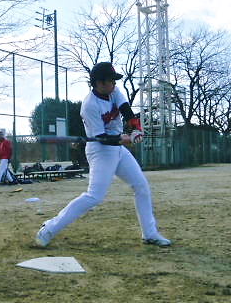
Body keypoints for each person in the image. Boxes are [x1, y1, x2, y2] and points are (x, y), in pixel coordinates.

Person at [35, 62, 172, 248]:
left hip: (117, 149)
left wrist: (136, 129)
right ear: (99, 83)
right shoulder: (89, 105)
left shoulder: (113, 92)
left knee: (141, 186)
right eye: (110, 81)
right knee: (94, 196)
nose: (114, 84)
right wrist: (125, 138)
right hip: (100, 150)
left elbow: (127, 112)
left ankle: (150, 233)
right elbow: (102, 138)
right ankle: (49, 228)